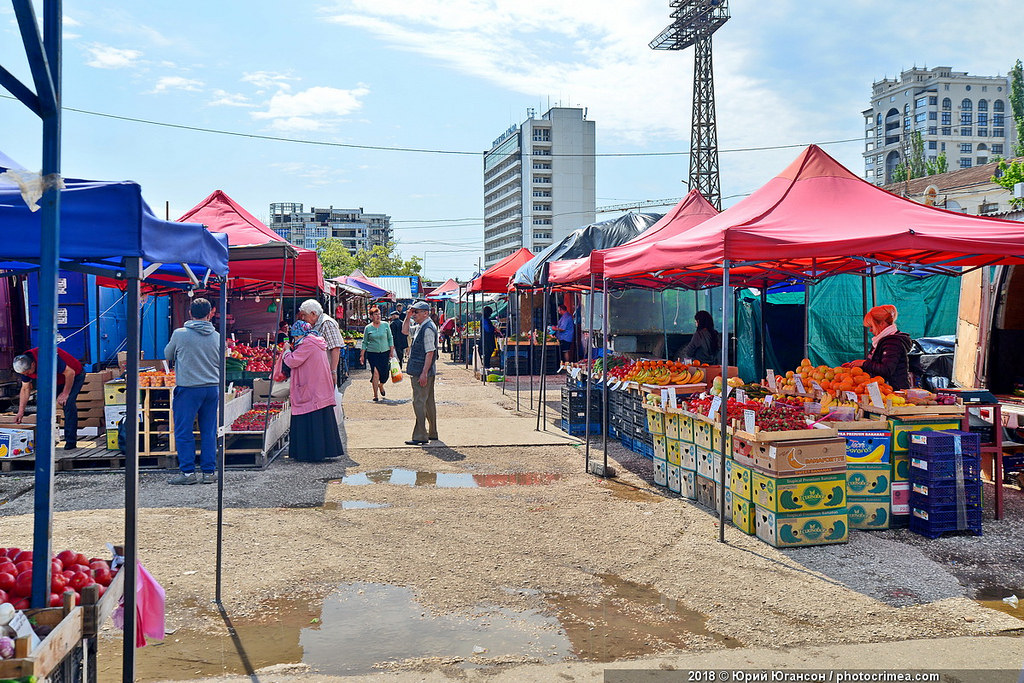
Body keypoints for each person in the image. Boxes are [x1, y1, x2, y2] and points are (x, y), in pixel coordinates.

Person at [164, 297, 221, 485]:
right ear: (209, 314)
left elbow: (168, 354)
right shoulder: (217, 336)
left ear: (190, 313)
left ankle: (188, 473)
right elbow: (223, 359)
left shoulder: (180, 334)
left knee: (184, 430)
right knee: (209, 430)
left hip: (188, 388)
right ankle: (208, 472)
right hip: (212, 388)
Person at [283, 321, 344, 461]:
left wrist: (286, 351)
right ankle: (321, 452)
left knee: (311, 420)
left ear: (300, 334)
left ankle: (311, 454)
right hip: (319, 388)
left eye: (296, 337)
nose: (295, 340)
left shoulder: (308, 343)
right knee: (321, 422)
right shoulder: (316, 341)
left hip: (312, 389)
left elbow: (292, 361)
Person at [13, 346, 85, 449]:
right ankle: (45, 442)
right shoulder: (25, 367)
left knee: (68, 403)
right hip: (55, 380)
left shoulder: (48, 357)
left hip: (74, 375)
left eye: (28, 372)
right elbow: (25, 388)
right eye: (24, 374)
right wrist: (20, 412)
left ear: (33, 364)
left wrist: (65, 393)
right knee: (44, 405)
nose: (27, 375)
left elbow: (70, 373)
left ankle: (71, 442)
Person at [848, 304, 912, 390]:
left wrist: (863, 363)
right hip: (884, 389)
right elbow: (876, 364)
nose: (870, 330)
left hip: (893, 391)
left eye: (871, 326)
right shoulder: (882, 340)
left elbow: (887, 369)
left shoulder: (892, 343)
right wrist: (858, 366)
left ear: (881, 324)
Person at [402, 301, 438, 445]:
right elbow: (405, 331)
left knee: (419, 402)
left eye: (417, 312)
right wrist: (407, 316)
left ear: (425, 313)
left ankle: (420, 435)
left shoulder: (427, 328)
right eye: (413, 312)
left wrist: (424, 373)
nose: (414, 314)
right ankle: (432, 432)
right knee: (428, 402)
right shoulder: (421, 326)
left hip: (422, 371)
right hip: (423, 370)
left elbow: (430, 353)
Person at [297, 299, 343, 386]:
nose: (303, 318)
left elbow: (335, 348)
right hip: (316, 371)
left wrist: (333, 371)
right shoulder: (314, 324)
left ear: (313, 314)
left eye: (304, 315)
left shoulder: (327, 323)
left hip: (325, 371)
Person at [360, 306, 396, 402]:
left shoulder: (385, 325)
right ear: (371, 316)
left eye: (379, 314)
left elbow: (390, 338)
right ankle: (375, 395)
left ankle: (381, 385)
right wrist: (362, 355)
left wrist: (391, 351)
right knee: (375, 373)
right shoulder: (368, 328)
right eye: (376, 314)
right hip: (372, 353)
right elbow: (365, 342)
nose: (378, 316)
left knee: (384, 374)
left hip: (385, 352)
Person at [479, 305, 501, 370]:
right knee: (487, 352)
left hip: (487, 338)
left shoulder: (485, 319)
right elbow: (488, 329)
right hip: (487, 339)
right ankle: (486, 366)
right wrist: (494, 328)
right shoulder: (484, 319)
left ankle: (486, 366)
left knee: (488, 352)